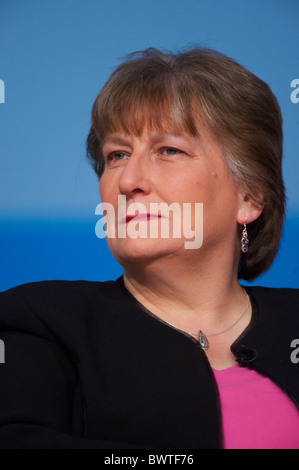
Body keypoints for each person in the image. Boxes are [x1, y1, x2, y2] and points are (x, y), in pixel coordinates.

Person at [0, 46, 298, 450]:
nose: (128, 181)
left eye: (168, 150)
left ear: (249, 198)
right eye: (117, 155)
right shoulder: (41, 322)